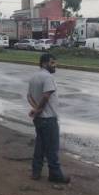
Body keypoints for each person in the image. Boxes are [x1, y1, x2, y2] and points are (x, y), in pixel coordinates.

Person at [27, 53, 70, 184]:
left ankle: (36, 172)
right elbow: (46, 96)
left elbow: (29, 96)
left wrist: (35, 110)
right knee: (52, 148)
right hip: (49, 119)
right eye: (52, 63)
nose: (55, 65)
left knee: (40, 147)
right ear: (45, 63)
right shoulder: (47, 77)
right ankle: (55, 175)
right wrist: (39, 109)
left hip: (39, 119)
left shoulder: (34, 76)